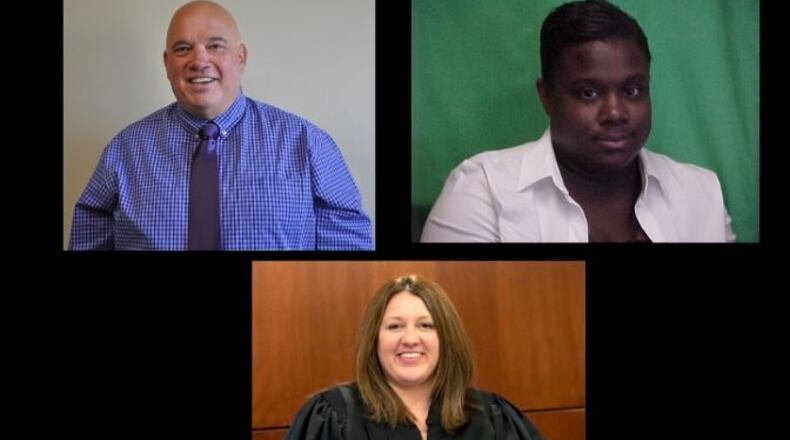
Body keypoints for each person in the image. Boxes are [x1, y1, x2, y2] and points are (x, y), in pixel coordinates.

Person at [421, 0, 735, 243]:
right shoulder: (482, 191)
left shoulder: (700, 192)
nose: (615, 112)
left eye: (632, 90)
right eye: (588, 93)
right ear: (546, 95)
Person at [69, 0, 372, 250]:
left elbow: (347, 252)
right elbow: (88, 233)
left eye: (215, 46)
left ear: (241, 58)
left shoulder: (307, 144)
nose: (199, 60)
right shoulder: (124, 151)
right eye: (182, 48)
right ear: (166, 64)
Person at [285, 275, 544, 440]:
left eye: (426, 325)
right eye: (395, 326)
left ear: (447, 338)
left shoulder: (493, 416)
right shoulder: (331, 418)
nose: (410, 339)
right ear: (374, 339)